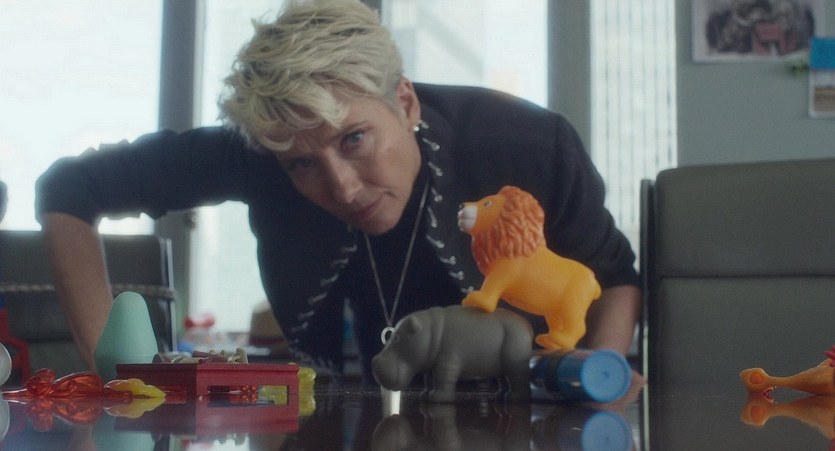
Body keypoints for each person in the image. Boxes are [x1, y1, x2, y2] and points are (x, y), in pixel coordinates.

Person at [36, 0, 641, 383]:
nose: (343, 188)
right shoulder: (259, 150)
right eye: (302, 164)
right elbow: (69, 187)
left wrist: (602, 372)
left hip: (514, 414)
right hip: (329, 414)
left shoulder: (523, 143)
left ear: (404, 101)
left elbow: (614, 275)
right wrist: (110, 368)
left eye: (354, 139)